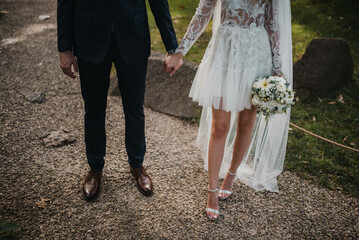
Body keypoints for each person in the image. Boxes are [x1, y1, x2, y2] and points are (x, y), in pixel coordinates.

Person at [163, 0, 293, 220]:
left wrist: (278, 69)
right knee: (220, 127)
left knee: (246, 122)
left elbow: (273, 23)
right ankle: (212, 190)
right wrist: (180, 51)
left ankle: (231, 175)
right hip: (225, 53)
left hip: (257, 55)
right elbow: (203, 12)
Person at [57, 0, 179, 200]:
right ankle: (95, 169)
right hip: (89, 37)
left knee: (134, 109)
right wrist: (64, 48)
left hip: (133, 35)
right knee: (94, 111)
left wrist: (172, 47)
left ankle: (137, 166)